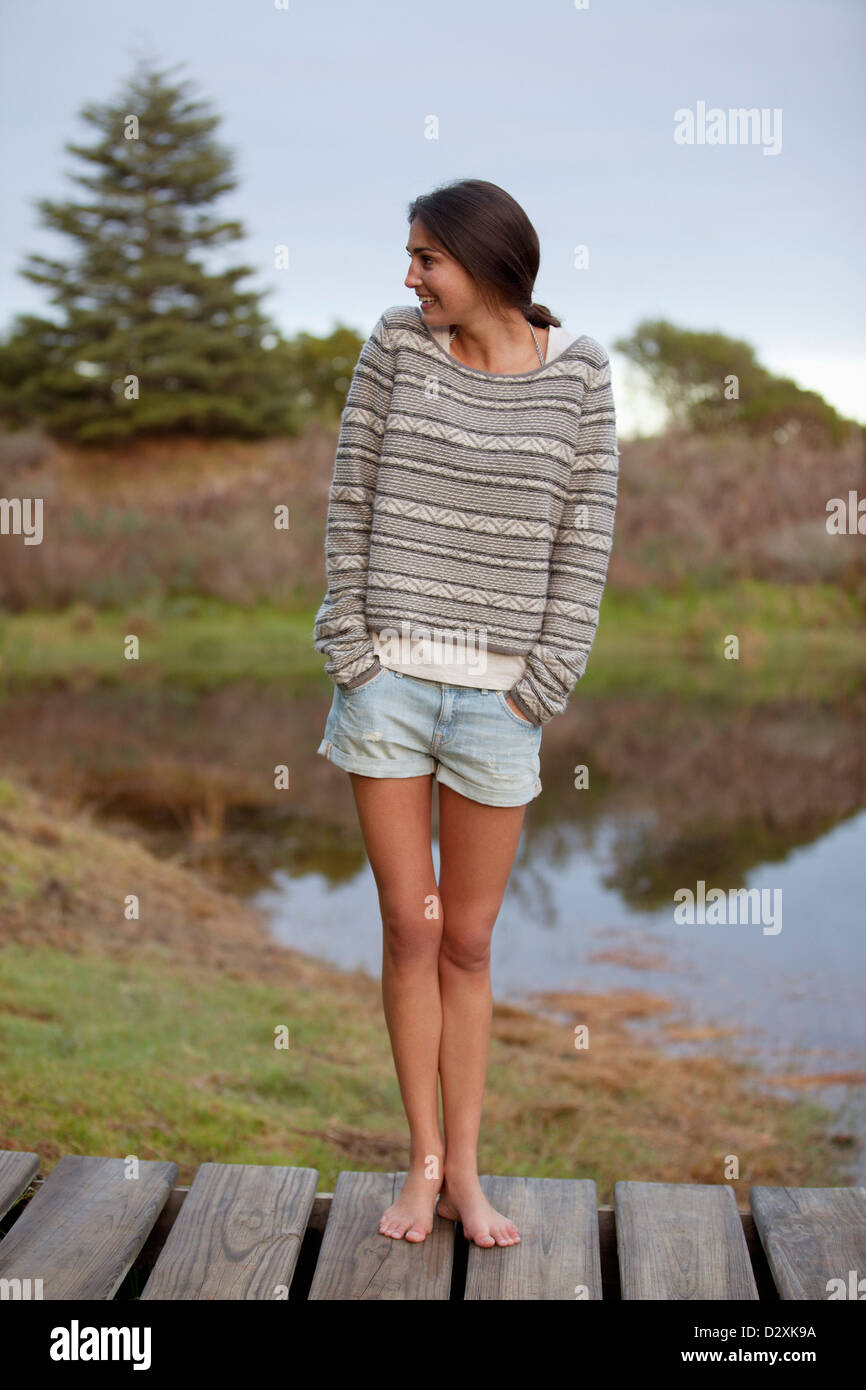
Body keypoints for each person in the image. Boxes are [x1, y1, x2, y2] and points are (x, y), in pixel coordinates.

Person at [313, 179, 619, 1248]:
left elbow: (585, 540)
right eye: (408, 257)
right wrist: (349, 650)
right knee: (412, 925)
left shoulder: (579, 373)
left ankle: (469, 1180)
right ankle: (420, 1166)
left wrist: (541, 682)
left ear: (484, 264)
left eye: (424, 258)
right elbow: (348, 500)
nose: (408, 277)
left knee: (472, 941)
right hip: (388, 682)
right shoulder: (394, 350)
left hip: (499, 699)